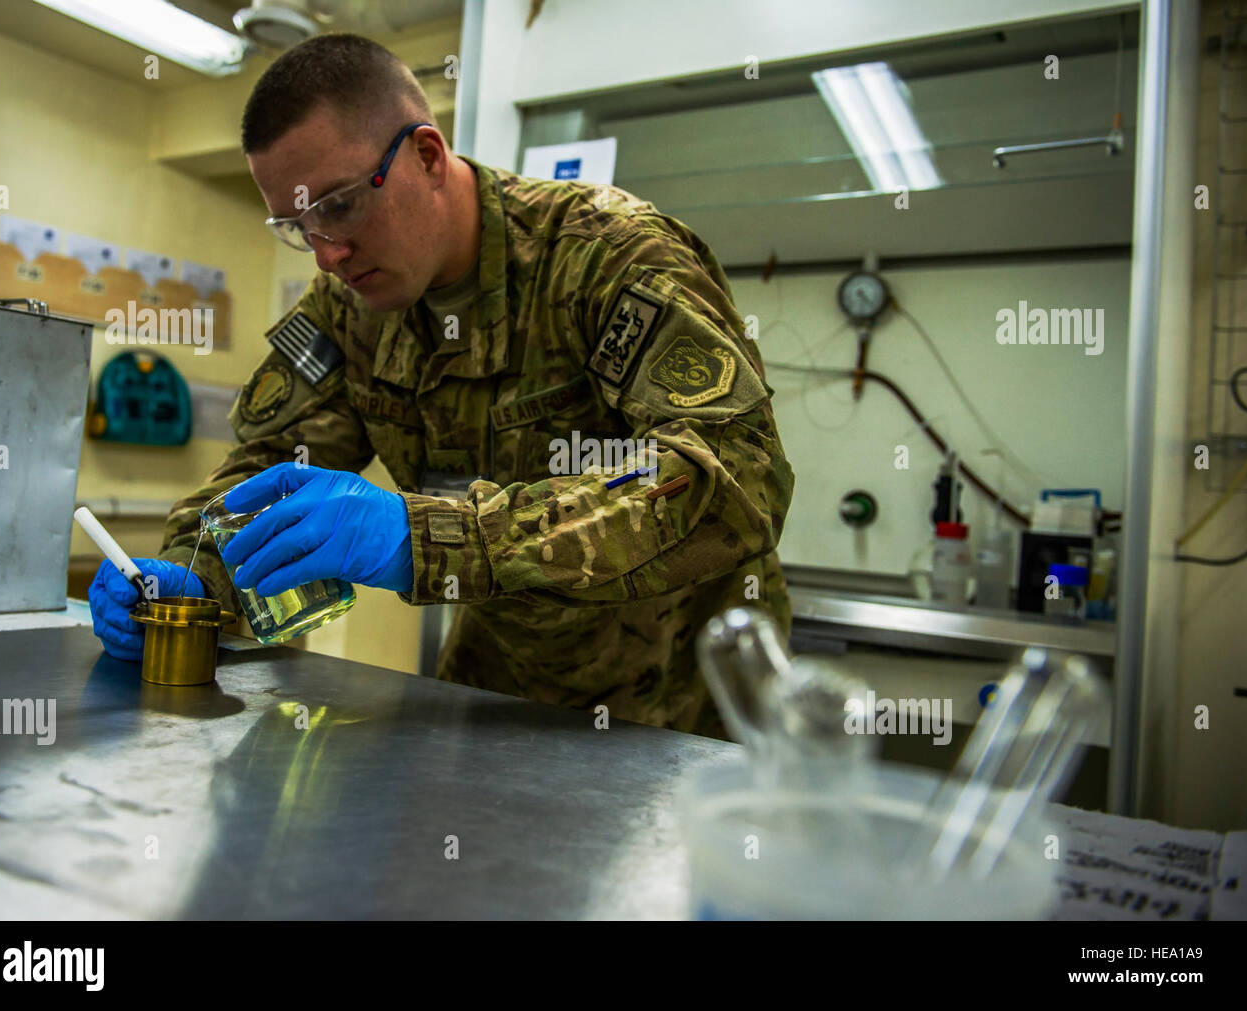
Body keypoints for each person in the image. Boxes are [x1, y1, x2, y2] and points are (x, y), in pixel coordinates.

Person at [89, 33, 794, 740]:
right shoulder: (348, 307)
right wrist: (187, 573)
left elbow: (736, 478)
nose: (328, 254)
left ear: (426, 155)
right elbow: (268, 462)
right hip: (503, 685)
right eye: (296, 225)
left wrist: (428, 538)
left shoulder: (604, 256)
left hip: (687, 700)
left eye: (337, 206)